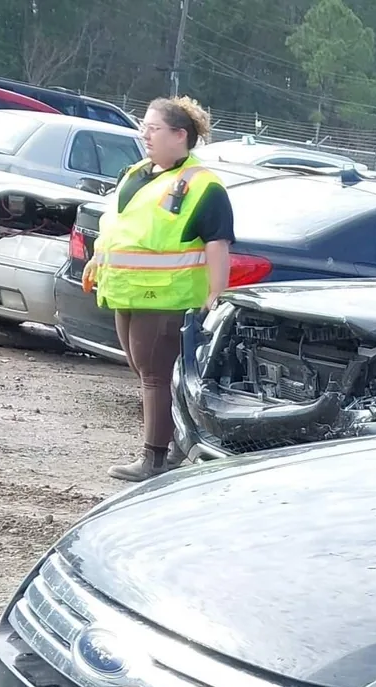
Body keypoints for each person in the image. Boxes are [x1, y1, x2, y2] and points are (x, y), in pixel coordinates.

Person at [83, 95, 232, 481]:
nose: (144, 135)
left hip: (168, 296)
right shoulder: (137, 173)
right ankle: (176, 444)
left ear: (180, 135)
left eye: (153, 128)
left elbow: (217, 244)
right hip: (126, 291)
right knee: (144, 371)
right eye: (143, 127)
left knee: (155, 375)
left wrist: (215, 295)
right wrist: (98, 259)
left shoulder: (203, 186)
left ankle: (154, 459)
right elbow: (120, 225)